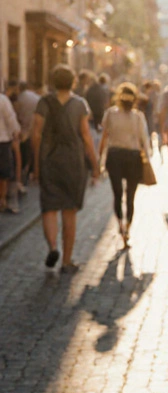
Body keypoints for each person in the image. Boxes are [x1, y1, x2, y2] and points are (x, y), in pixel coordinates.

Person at [32, 65, 99, 273]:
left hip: (49, 160)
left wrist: (36, 164)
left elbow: (36, 134)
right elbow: (86, 137)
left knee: (49, 207)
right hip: (73, 161)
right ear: (73, 82)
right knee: (69, 211)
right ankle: (67, 261)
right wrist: (95, 164)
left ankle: (53, 247)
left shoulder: (44, 102)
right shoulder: (80, 104)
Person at [99, 82, 149, 247]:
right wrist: (147, 159)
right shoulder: (138, 117)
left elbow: (104, 137)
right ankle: (127, 228)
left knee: (118, 194)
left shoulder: (110, 114)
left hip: (114, 156)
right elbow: (144, 141)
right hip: (133, 157)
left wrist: (100, 160)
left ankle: (121, 225)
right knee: (130, 196)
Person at [15, 80, 40, 187]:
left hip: (25, 128)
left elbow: (17, 114)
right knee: (34, 150)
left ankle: (23, 176)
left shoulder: (20, 98)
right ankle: (33, 170)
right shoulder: (35, 96)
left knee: (24, 152)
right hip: (36, 126)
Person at [0, 85, 21, 214]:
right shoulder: (2, 100)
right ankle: (2, 199)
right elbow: (10, 118)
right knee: (3, 172)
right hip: (2, 140)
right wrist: (16, 132)